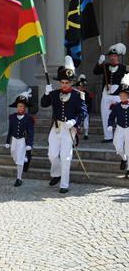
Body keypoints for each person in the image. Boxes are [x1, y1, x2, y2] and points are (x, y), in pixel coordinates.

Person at [41, 56, 87, 194]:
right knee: (52, 155)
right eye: (62, 82)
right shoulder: (54, 94)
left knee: (66, 157)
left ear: (71, 82)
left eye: (67, 82)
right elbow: (44, 104)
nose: (64, 85)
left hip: (69, 129)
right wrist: (46, 92)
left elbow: (83, 112)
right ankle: (56, 173)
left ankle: (64, 184)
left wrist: (74, 122)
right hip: (55, 128)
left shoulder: (78, 95)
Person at [93, 43, 127, 142]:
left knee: (120, 114)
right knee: (105, 114)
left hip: (118, 94)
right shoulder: (105, 66)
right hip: (106, 93)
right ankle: (108, 137)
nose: (113, 58)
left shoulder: (123, 68)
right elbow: (95, 71)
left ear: (118, 57)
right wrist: (99, 62)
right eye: (111, 56)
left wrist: (118, 89)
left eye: (115, 56)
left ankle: (122, 135)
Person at [4, 90, 34, 187]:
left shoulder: (28, 118)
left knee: (20, 159)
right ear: (16, 107)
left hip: (22, 140)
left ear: (25, 107)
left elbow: (30, 132)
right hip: (14, 140)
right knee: (14, 154)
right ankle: (26, 157)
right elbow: (10, 130)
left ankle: (19, 178)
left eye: (22, 106)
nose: (20, 108)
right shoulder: (12, 117)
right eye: (19, 106)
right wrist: (7, 141)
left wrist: (29, 144)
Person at [108, 73, 129, 176]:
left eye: (124, 95)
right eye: (121, 95)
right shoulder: (116, 106)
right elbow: (111, 117)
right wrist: (110, 125)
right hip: (120, 128)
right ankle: (124, 158)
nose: (122, 97)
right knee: (118, 146)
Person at [74, 74, 94, 140]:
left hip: (85, 110)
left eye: (82, 86)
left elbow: (90, 104)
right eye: (79, 86)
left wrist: (87, 111)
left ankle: (86, 134)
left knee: (86, 122)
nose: (81, 88)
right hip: (76, 110)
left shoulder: (88, 94)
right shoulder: (75, 93)